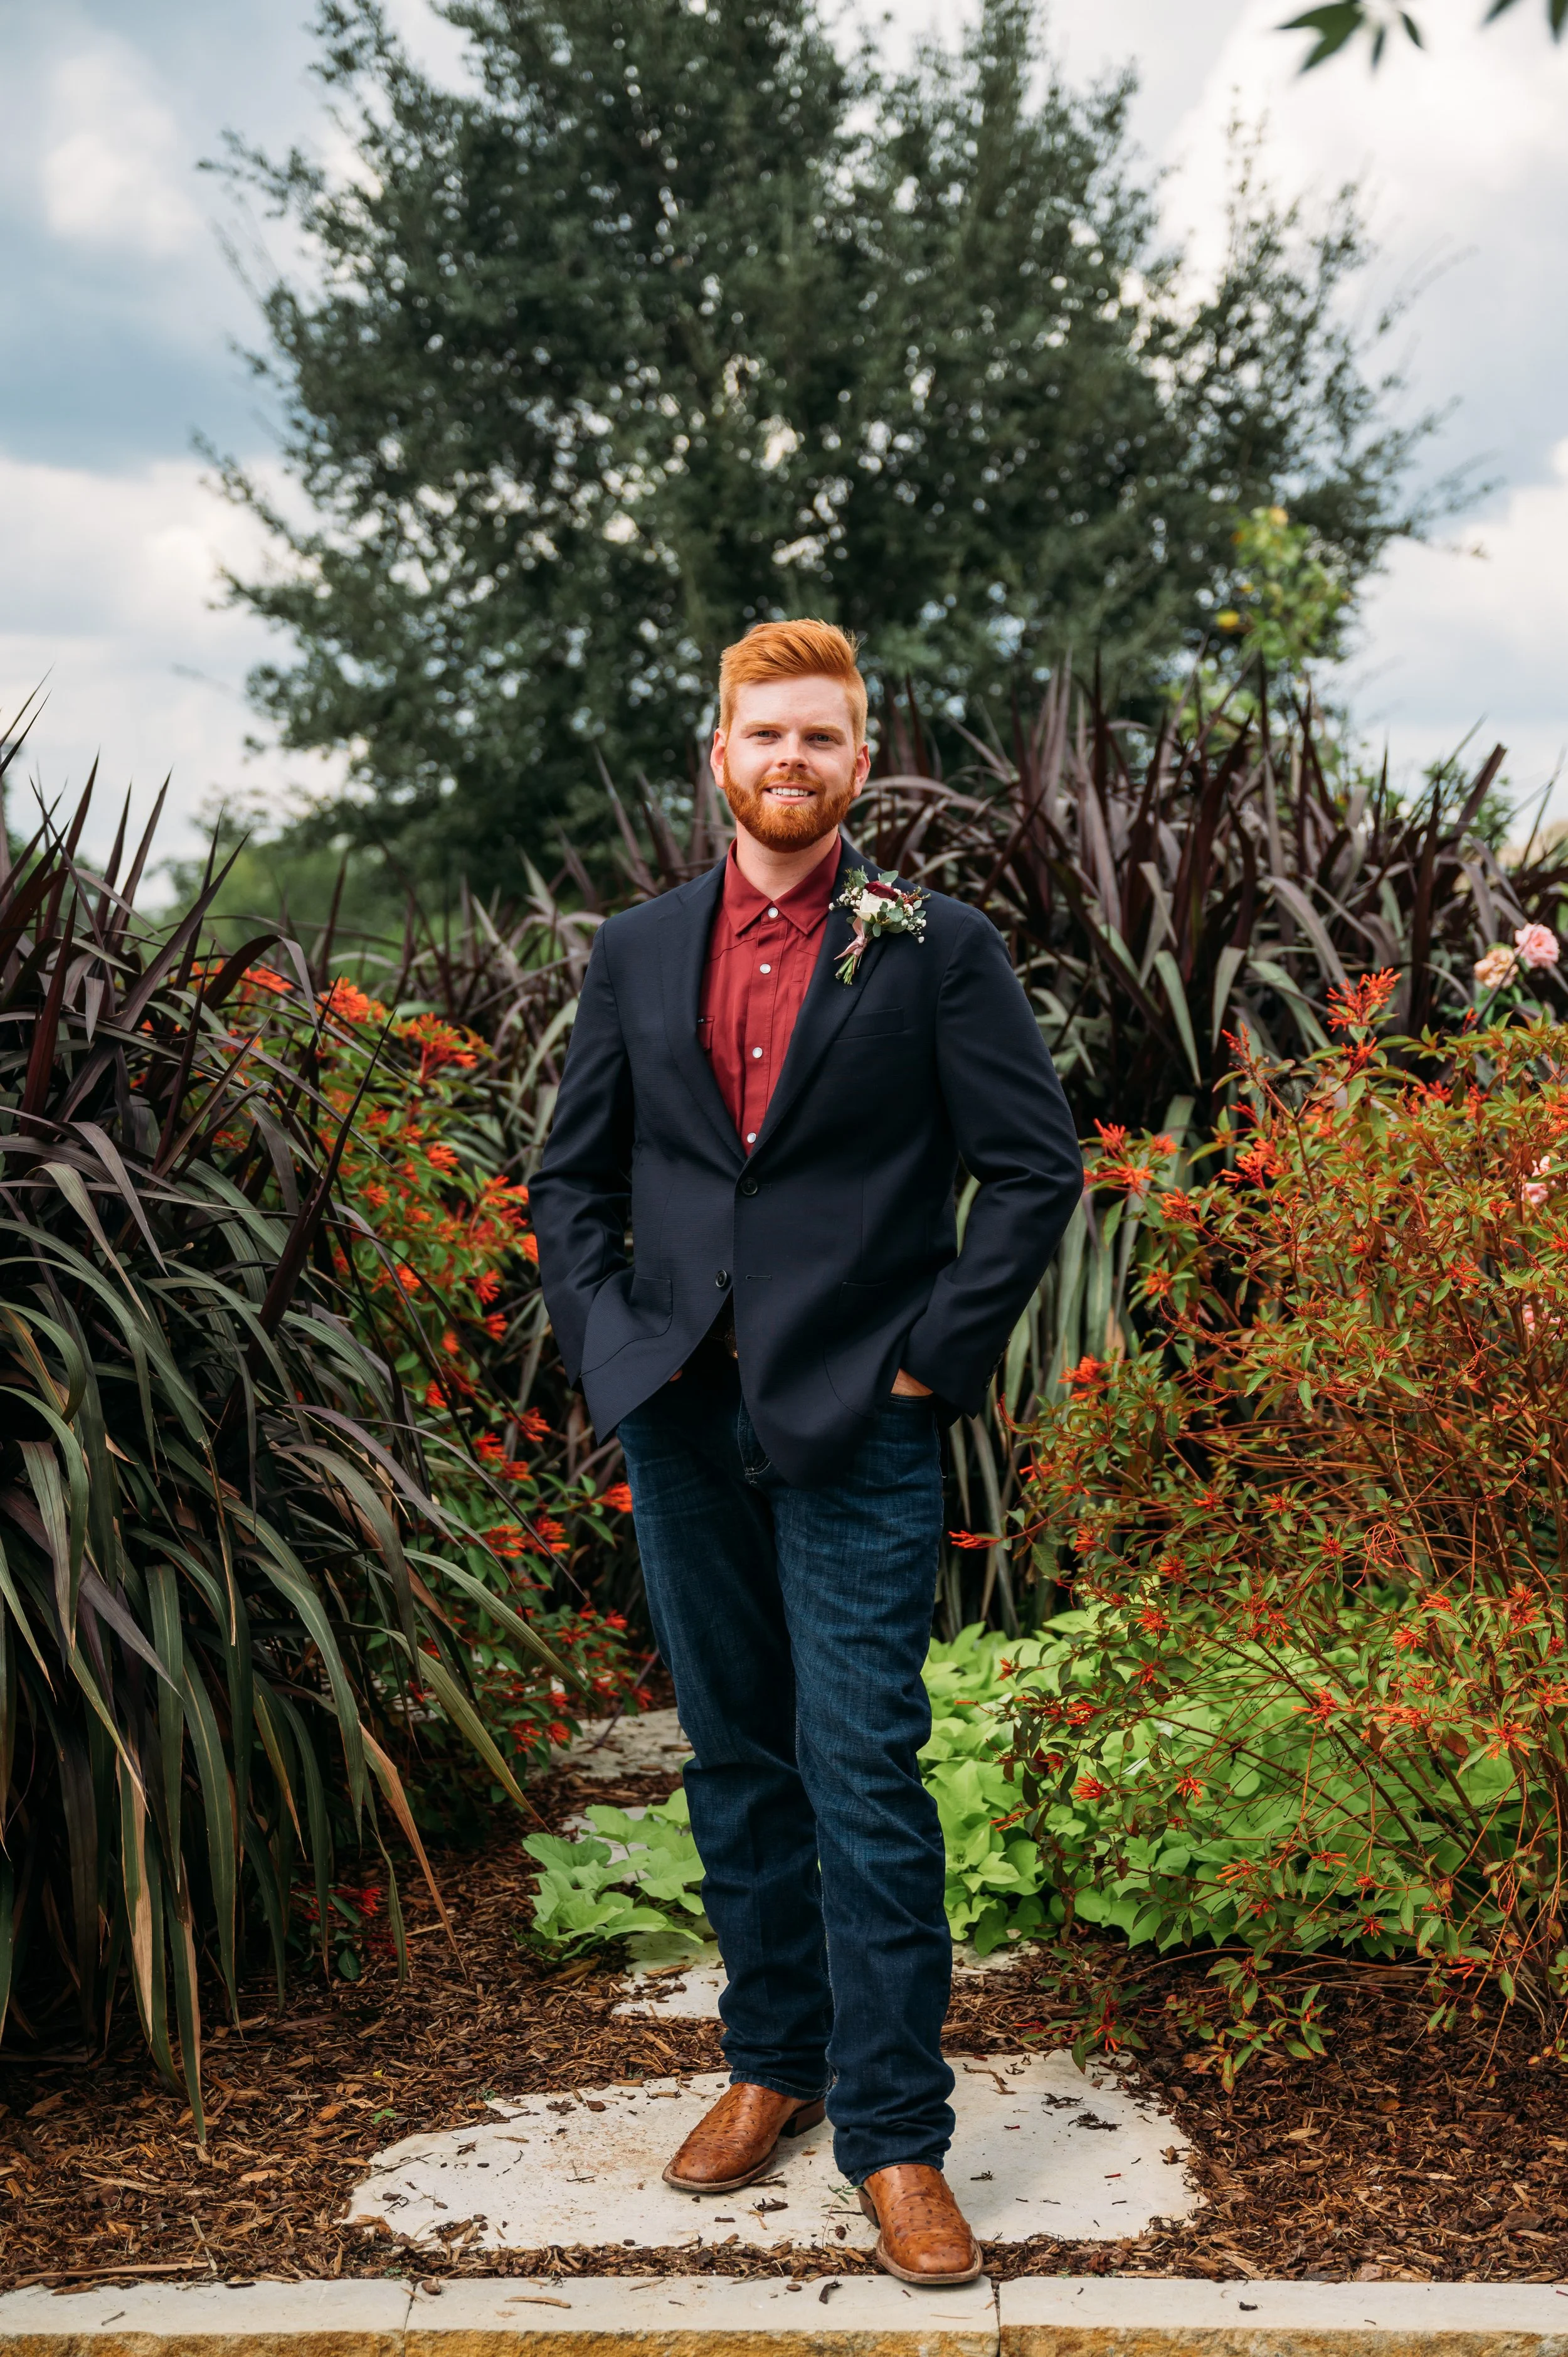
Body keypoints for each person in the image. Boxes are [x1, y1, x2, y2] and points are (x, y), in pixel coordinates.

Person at [531, 619, 1082, 2285]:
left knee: (861, 1767)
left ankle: (897, 2137)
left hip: (860, 1421)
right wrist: (613, 1347)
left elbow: (1032, 1167)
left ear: (857, 762)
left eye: (820, 740)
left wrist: (927, 1366)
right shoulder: (636, 950)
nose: (789, 761)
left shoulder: (932, 947)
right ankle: (771, 2060)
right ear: (719, 754)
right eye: (762, 734)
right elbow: (574, 1178)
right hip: (683, 1412)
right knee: (730, 1753)